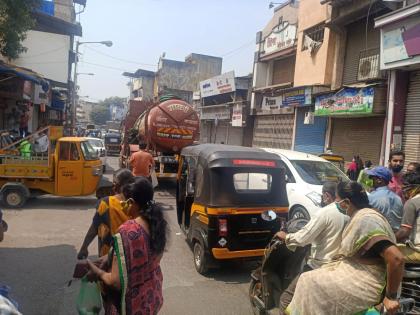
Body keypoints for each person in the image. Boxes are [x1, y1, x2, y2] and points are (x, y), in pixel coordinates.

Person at [285, 181, 405, 315]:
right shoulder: (361, 215)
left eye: (337, 199)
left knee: (308, 282)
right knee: (308, 279)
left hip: (369, 279)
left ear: (346, 202)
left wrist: (390, 297)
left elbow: (396, 258)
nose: (336, 203)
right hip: (352, 268)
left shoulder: (367, 219)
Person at [86, 176, 168, 315]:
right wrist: (110, 256)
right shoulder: (158, 223)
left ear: (131, 202)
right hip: (151, 298)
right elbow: (151, 258)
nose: (122, 205)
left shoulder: (127, 231)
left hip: (130, 306)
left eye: (124, 201)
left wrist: (98, 273)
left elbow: (115, 282)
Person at [276, 182, 348, 312]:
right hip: (341, 267)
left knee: (285, 299)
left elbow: (303, 237)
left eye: (322, 195)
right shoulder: (351, 212)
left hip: (319, 267)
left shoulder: (325, 212)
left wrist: (286, 237)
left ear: (326, 195)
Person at [78, 169, 135, 259]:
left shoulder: (106, 203)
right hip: (134, 256)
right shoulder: (138, 203)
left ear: (116, 185)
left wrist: (84, 247)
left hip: (110, 257)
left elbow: (94, 227)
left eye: (114, 182)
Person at [367, 166, 403, 231]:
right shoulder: (398, 198)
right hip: (396, 236)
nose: (371, 181)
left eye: (372, 178)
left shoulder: (371, 197)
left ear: (379, 180)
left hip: (378, 235)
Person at [395, 171, 420, 263]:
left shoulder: (411, 203)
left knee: (387, 253)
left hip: (417, 251)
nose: (403, 190)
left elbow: (404, 231)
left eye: (405, 187)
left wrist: (389, 238)